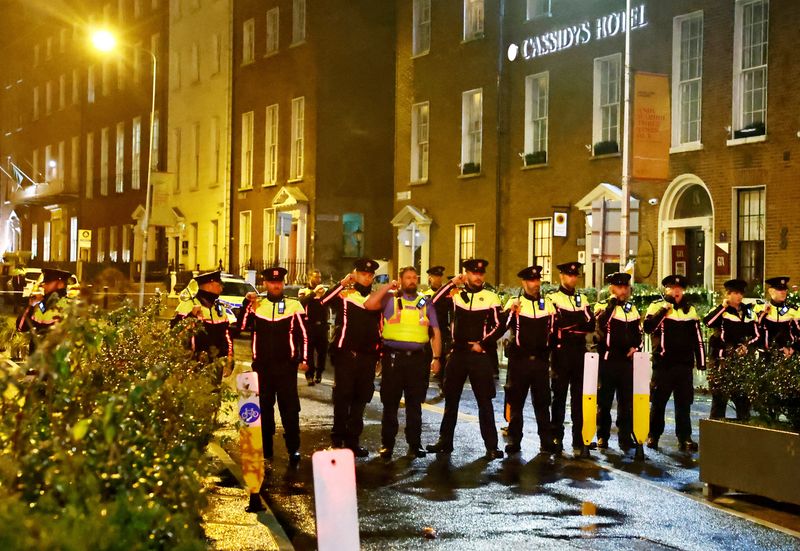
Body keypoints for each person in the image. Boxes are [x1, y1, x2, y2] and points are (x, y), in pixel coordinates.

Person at [426, 259, 506, 460]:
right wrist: (452, 283)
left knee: (484, 402)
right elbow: (432, 303)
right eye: (473, 273)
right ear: (466, 274)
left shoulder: (491, 297)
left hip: (480, 355)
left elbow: (499, 325)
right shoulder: (455, 295)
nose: (478, 277)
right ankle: (445, 442)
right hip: (458, 353)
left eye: (481, 274)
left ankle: (491, 446)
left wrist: (483, 343)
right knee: (451, 400)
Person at [365, 266, 442, 459]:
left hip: (417, 360)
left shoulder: (425, 301)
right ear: (400, 280)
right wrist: (387, 287)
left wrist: (437, 357)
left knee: (415, 404)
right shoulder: (390, 299)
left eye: (415, 277)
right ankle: (387, 445)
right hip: (393, 359)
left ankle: (415, 444)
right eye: (408, 278)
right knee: (390, 404)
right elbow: (369, 304)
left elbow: (436, 331)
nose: (412, 281)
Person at [239, 267, 309, 465]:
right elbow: (242, 326)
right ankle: (266, 449)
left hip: (286, 367)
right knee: (264, 409)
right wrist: (247, 304)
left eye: (279, 282)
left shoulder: (293, 305)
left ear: (283, 283)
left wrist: (304, 359)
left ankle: (293, 449)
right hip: (262, 367)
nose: (276, 285)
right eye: (272, 282)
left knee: (290, 409)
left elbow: (304, 335)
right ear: (266, 284)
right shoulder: (257, 304)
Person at [320, 258, 383, 457]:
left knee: (361, 398)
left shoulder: (376, 298)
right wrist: (341, 283)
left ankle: (353, 441)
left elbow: (380, 328)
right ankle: (337, 440)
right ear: (355, 274)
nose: (366, 278)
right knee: (342, 398)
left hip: (367, 356)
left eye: (370, 275)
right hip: (346, 354)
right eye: (363, 274)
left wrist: (379, 354)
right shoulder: (345, 295)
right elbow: (322, 302)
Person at [643, 275, 705, 452]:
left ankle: (684, 438)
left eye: (679, 288)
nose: (676, 291)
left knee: (684, 404)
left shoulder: (690, 310)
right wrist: (664, 310)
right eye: (672, 288)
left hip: (684, 365)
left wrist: (700, 361)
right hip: (663, 365)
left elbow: (698, 338)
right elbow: (648, 328)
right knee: (658, 402)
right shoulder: (656, 306)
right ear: (666, 290)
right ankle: (653, 436)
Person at [503, 265, 556, 455]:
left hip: (540, 362)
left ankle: (546, 441)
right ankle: (515, 441)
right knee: (517, 403)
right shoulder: (514, 303)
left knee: (542, 403)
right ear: (524, 283)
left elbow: (554, 331)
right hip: (520, 362)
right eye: (532, 281)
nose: (536, 284)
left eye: (538, 280)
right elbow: (502, 327)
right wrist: (511, 311)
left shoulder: (548, 304)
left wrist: (549, 351)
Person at [549, 261, 595, 456]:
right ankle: (556, 437)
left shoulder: (582, 299)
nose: (573, 278)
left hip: (579, 352)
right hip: (561, 353)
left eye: (575, 276)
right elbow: (556, 323)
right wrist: (576, 323)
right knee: (559, 397)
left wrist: (570, 324)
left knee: (579, 399)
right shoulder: (553, 298)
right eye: (569, 275)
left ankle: (579, 440)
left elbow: (590, 324)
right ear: (561, 276)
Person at [593, 272, 641, 452]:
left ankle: (625, 437)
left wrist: (635, 347)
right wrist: (612, 304)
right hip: (608, 361)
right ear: (612, 288)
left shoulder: (632, 308)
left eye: (625, 287)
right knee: (604, 402)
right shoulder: (603, 305)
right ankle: (602, 436)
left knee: (626, 402)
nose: (623, 291)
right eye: (619, 287)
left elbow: (638, 334)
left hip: (626, 362)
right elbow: (601, 324)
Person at [704, 278, 760, 421]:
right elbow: (708, 322)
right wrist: (722, 307)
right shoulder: (721, 311)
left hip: (741, 361)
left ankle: (744, 429)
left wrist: (746, 346)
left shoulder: (748, 312)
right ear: (728, 294)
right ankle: (716, 432)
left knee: (742, 399)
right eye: (735, 293)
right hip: (721, 361)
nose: (739, 296)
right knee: (720, 399)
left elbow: (756, 334)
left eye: (741, 293)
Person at [170, 270, 233, 380]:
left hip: (215, 365)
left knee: (214, 395)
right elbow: (174, 332)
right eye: (219, 285)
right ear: (208, 285)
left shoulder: (219, 309)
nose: (222, 288)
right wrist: (191, 316)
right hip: (193, 365)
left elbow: (227, 336)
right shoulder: (187, 305)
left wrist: (229, 360)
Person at [16, 268, 72, 355]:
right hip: (36, 361)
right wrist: (31, 305)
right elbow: (20, 327)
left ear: (60, 284)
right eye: (44, 283)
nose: (44, 286)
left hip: (55, 363)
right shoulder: (40, 304)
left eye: (48, 283)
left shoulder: (66, 305)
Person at [423, 265, 452, 399]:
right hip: (427, 330)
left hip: (442, 329)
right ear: (430, 278)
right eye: (435, 276)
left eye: (440, 276)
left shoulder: (448, 295)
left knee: (443, 359)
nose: (438, 279)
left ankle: (443, 386)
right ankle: (422, 389)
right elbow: (423, 306)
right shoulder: (425, 295)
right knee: (426, 359)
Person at [298, 269, 329, 386]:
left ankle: (319, 373)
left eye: (319, 277)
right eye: (316, 277)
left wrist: (322, 294)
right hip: (308, 327)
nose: (318, 280)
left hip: (321, 326)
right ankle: (309, 375)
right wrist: (313, 293)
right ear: (310, 277)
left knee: (322, 352)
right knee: (308, 353)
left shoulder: (324, 291)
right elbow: (301, 302)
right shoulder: (304, 290)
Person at [755, 276, 799, 354]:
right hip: (767, 354)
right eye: (779, 290)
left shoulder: (794, 310)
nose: (783, 292)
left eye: (785, 289)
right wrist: (763, 314)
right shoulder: (760, 308)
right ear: (771, 291)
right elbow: (756, 331)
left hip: (788, 353)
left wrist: (794, 348)